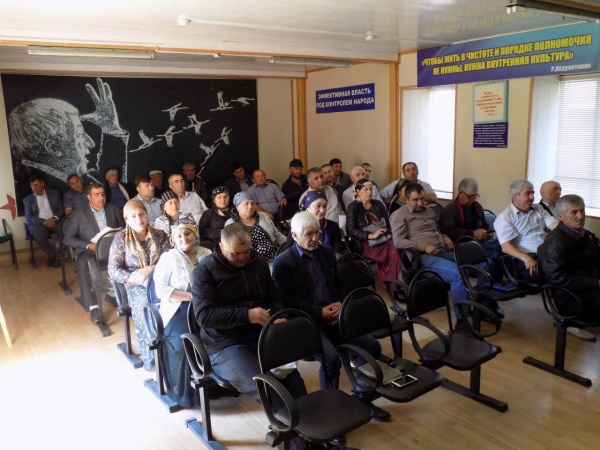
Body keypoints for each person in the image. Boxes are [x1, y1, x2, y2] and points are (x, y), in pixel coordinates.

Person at [191, 223, 308, 447]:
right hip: (225, 344)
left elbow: (273, 297)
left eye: (246, 252)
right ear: (221, 247)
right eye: (235, 254)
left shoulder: (258, 262)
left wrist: (279, 316)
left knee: (292, 378)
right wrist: (247, 315)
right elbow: (205, 316)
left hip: (261, 333)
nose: (242, 258)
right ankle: (299, 443)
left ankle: (312, 433)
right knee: (267, 387)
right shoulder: (204, 271)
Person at [272, 212, 389, 422]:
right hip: (308, 324)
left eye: (317, 233)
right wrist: (320, 313)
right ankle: (331, 413)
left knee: (371, 346)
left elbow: (338, 284)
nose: (314, 238)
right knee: (331, 360)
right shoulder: (283, 263)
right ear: (294, 235)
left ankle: (363, 395)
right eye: (308, 234)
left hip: (335, 317)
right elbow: (290, 302)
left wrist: (340, 304)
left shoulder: (326, 252)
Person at [391, 183, 474, 321]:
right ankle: (463, 319)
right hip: (423, 257)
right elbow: (399, 242)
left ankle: (486, 306)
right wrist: (424, 247)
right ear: (406, 199)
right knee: (457, 273)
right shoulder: (399, 215)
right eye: (415, 200)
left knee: (481, 262)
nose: (420, 203)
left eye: (422, 199)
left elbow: (437, 230)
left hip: (442, 250)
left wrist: (445, 237)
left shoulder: (429, 211)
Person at [153, 222, 212, 406]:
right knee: (184, 342)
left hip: (205, 306)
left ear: (195, 235)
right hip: (178, 308)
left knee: (217, 335)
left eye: (187, 234)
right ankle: (186, 394)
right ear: (173, 241)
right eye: (178, 236)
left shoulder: (207, 254)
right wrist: (193, 297)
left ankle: (214, 388)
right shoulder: (168, 258)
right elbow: (161, 290)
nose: (184, 238)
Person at [108, 199, 170, 370]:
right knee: (147, 307)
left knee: (175, 302)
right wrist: (136, 278)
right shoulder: (121, 238)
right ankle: (152, 359)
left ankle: (172, 352)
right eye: (133, 216)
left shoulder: (160, 235)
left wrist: (151, 268)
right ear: (126, 219)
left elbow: (169, 260)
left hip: (160, 279)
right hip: (136, 285)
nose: (139, 219)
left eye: (141, 214)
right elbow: (113, 270)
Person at [538, 195, 600, 341]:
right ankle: (572, 323)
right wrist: (596, 284)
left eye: (582, 210)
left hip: (590, 287)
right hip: (573, 297)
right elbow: (559, 279)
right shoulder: (555, 243)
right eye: (574, 212)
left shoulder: (584, 234)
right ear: (561, 216)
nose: (580, 216)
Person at [63, 183, 124, 322]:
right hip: (90, 250)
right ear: (89, 197)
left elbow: (123, 230)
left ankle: (114, 294)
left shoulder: (113, 209)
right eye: (97, 195)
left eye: (103, 194)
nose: (101, 197)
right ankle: (94, 307)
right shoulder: (79, 213)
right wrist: (88, 245)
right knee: (83, 263)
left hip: (112, 249)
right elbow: (68, 238)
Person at [494, 180, 557, 281]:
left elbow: (555, 225)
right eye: (527, 193)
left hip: (548, 254)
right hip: (527, 259)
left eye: (533, 193)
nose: (532, 197)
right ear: (515, 196)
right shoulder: (505, 217)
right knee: (560, 277)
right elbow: (506, 247)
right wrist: (526, 258)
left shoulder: (538, 208)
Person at [347, 178, 401, 283]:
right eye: (366, 189)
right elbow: (351, 230)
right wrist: (370, 235)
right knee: (393, 250)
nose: (369, 192)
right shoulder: (353, 207)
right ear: (358, 192)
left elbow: (389, 222)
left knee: (396, 246)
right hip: (366, 242)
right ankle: (394, 282)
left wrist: (389, 232)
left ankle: (394, 280)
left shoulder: (378, 204)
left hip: (383, 238)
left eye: (371, 189)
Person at [439, 178, 498, 260]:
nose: (472, 200)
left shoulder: (477, 206)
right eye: (470, 197)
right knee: (497, 252)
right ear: (460, 193)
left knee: (500, 245)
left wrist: (488, 233)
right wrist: (473, 234)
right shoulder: (450, 209)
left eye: (475, 197)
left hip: (479, 243)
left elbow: (485, 225)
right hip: (462, 245)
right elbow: (450, 231)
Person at [283, 190, 346, 258]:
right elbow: (288, 254)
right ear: (307, 209)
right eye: (318, 206)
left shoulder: (333, 226)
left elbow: (338, 251)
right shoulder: (298, 227)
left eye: (324, 206)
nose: (322, 210)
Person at [225, 192, 286, 262]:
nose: (250, 206)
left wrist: (291, 244)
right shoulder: (230, 224)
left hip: (276, 256)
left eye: (252, 203)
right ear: (237, 207)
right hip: (252, 262)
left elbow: (278, 236)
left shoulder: (263, 216)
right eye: (246, 203)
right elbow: (231, 249)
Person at [23, 174, 65, 267]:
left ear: (42, 184)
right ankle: (53, 255)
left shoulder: (55, 194)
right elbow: (29, 217)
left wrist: (54, 219)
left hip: (55, 221)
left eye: (36, 185)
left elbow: (61, 210)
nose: (34, 188)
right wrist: (44, 222)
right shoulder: (28, 200)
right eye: (32, 185)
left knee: (65, 232)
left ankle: (60, 254)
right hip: (39, 224)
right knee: (39, 236)